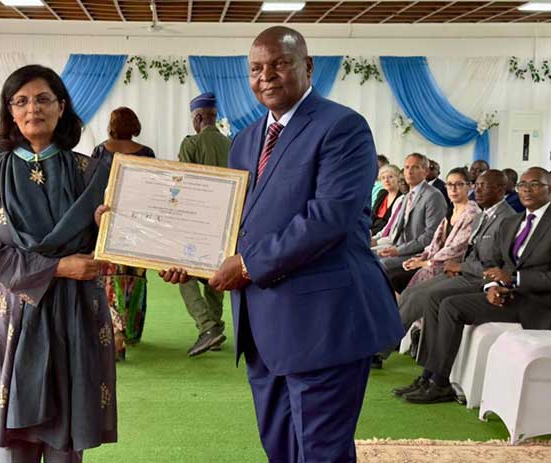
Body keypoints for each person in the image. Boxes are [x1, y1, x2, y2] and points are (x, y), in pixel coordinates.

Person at [163, 26, 403, 462]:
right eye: (256, 68)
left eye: (279, 64)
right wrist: (185, 255)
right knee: (280, 447)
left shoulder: (342, 127)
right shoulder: (245, 140)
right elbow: (232, 222)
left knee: (320, 452)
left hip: (323, 323)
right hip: (262, 326)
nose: (267, 76)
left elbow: (329, 217)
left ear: (308, 67)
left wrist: (248, 265)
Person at [0, 64, 117, 461]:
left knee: (67, 442)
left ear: (61, 106)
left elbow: (112, 248)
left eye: (44, 98)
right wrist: (58, 268)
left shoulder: (91, 172)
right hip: (10, 318)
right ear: (10, 113)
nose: (33, 108)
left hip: (75, 318)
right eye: (21, 101)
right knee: (15, 442)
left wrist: (108, 231)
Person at [397, 167, 551, 404]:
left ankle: (439, 382)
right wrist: (492, 287)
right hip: (503, 294)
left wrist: (515, 280)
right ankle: (431, 377)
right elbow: (497, 264)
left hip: (536, 303)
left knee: (448, 305)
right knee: (441, 301)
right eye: (523, 185)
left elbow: (521, 274)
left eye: (535, 185)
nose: (527, 190)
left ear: (549, 189)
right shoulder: (513, 222)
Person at [396, 170, 515, 334]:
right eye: (477, 185)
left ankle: (381, 348)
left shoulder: (506, 219)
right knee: (411, 291)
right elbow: (470, 251)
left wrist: (459, 267)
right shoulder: (482, 216)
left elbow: (496, 264)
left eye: (483, 186)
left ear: (500, 189)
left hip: (480, 278)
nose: (477, 190)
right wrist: (456, 267)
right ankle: (390, 342)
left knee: (422, 295)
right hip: (461, 271)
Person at [92, 106, 154, 361]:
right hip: (138, 225)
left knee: (109, 279)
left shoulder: (100, 151)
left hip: (108, 223)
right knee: (134, 277)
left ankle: (114, 333)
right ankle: (129, 330)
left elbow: (91, 187)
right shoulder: (147, 153)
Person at [176, 92, 231, 357]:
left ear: (198, 118)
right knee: (215, 275)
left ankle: (207, 326)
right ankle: (217, 327)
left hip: (198, 221)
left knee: (183, 274)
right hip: (227, 222)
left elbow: (185, 184)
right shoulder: (231, 144)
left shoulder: (191, 143)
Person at [388, 167, 479, 293]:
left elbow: (455, 250)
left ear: (470, 187)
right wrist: (421, 257)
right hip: (434, 260)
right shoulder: (451, 210)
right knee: (391, 275)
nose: (453, 189)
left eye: (459, 184)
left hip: (450, 266)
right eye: (449, 184)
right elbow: (435, 243)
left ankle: (405, 311)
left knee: (397, 279)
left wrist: (424, 263)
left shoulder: (472, 213)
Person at [378, 152, 447, 271]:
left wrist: (398, 251)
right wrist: (391, 248)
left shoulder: (433, 195)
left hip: (419, 254)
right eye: (407, 167)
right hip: (400, 247)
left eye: (415, 167)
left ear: (425, 172)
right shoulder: (407, 196)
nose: (409, 171)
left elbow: (430, 236)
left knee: (379, 264)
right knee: (366, 256)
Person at [371, 164, 402, 235]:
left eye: (390, 177)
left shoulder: (401, 197)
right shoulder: (382, 193)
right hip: (371, 229)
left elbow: (390, 224)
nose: (386, 180)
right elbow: (372, 215)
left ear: (398, 178)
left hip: (385, 233)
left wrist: (371, 232)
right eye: (383, 178)